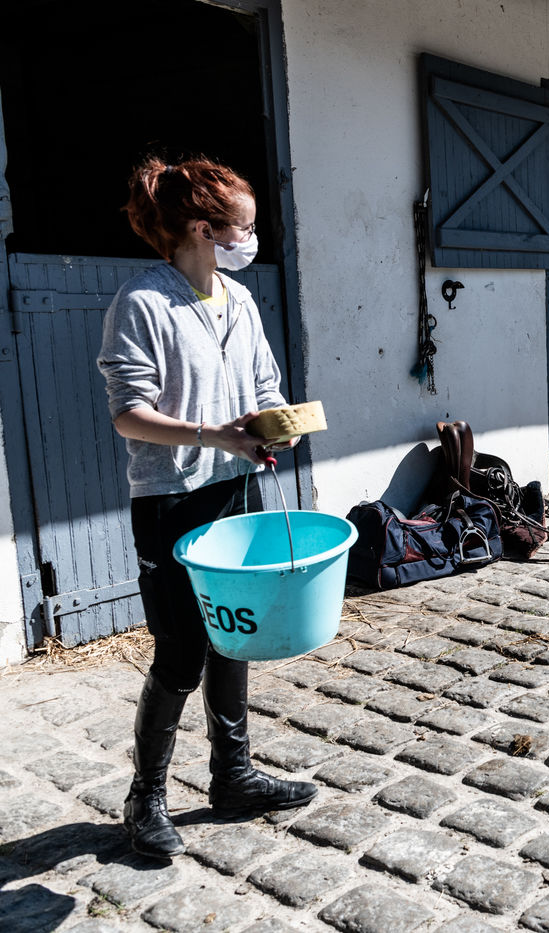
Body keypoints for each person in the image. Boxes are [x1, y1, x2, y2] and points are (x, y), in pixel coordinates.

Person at [98, 156, 315, 859]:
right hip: (170, 498)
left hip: (237, 487)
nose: (251, 238)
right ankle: (145, 798)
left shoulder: (240, 301)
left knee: (235, 634)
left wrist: (274, 426)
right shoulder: (143, 302)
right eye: (243, 227)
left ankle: (234, 776)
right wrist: (211, 434)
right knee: (180, 651)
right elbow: (128, 414)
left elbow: (262, 387)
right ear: (202, 228)